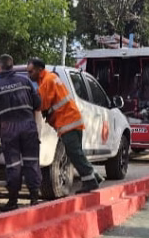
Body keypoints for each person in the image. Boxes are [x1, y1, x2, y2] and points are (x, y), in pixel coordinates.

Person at [28, 57, 100, 193]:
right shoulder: (50, 78)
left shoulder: (47, 82)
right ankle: (94, 176)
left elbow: (42, 105)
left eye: (31, 72)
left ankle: (90, 181)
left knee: (74, 153)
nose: (29, 75)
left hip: (67, 122)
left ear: (39, 70)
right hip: (72, 120)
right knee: (76, 152)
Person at [0, 54, 41, 212]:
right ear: (12, 66)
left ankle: (13, 201)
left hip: (9, 129)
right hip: (28, 126)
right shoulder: (25, 81)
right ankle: (34, 199)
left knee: (13, 166)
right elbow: (38, 103)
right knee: (31, 162)